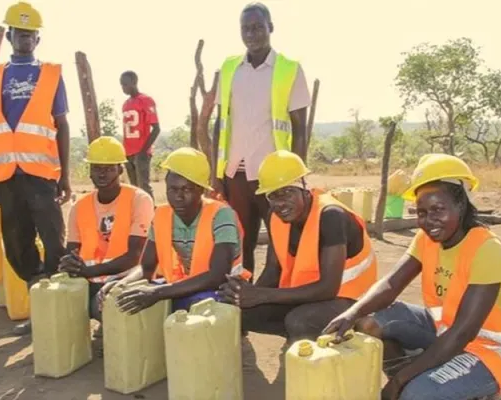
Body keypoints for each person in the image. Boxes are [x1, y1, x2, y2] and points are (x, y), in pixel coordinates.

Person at [323, 154, 501, 400]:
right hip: (444, 331)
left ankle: (474, 389)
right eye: (421, 212)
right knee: (369, 322)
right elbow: (392, 283)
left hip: (490, 352)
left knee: (415, 394)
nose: (428, 220)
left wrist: (401, 381)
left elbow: (462, 333)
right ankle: (434, 378)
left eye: (438, 209)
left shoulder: (487, 250)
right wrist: (353, 312)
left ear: (462, 204)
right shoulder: (427, 239)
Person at [0, 1, 71, 336]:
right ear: (10, 35)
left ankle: (59, 308)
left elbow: (62, 125)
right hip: (5, 175)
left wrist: (66, 176)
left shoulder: (51, 73)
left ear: (37, 39)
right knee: (16, 242)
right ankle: (38, 298)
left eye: (31, 34)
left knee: (54, 241)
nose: (25, 39)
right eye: (19, 32)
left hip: (41, 174)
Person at [218, 150, 377, 342]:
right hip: (306, 296)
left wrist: (262, 295)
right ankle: (304, 336)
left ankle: (334, 335)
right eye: (273, 196)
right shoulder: (276, 217)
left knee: (300, 322)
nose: (280, 203)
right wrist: (248, 296)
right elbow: (272, 271)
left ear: (304, 187)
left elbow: (328, 288)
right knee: (242, 314)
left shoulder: (331, 216)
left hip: (352, 300)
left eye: (287, 192)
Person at [212, 2, 311, 278]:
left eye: (257, 27)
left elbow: (299, 128)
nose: (251, 34)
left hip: (274, 177)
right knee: (240, 240)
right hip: (236, 173)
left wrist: (296, 177)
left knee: (280, 239)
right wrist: (215, 173)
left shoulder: (289, 69)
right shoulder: (230, 68)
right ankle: (240, 297)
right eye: (246, 28)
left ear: (271, 28)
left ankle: (271, 297)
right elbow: (220, 123)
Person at [98, 147, 251, 315]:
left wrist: (158, 293)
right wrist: (122, 283)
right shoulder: (162, 215)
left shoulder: (221, 215)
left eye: (187, 189)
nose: (178, 197)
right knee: (128, 296)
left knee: (198, 309)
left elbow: (218, 276)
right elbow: (146, 268)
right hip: (181, 285)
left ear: (202, 190)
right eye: (172, 189)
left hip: (222, 290)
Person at [58, 136, 154, 321]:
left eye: (109, 169)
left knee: (108, 306)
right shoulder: (80, 206)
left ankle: (109, 337)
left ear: (120, 169)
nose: (102, 174)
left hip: (129, 278)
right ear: (90, 171)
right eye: (97, 168)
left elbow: (135, 255)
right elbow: (73, 251)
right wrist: (69, 264)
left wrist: (88, 272)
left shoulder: (138, 200)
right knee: (56, 300)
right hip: (88, 280)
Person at [120, 70, 160, 199]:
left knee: (144, 187)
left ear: (134, 82)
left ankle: (151, 216)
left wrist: (143, 151)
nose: (123, 88)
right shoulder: (125, 104)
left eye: (125, 84)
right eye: (121, 85)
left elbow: (156, 128)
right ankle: (139, 216)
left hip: (141, 151)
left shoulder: (146, 100)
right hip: (128, 152)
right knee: (134, 188)